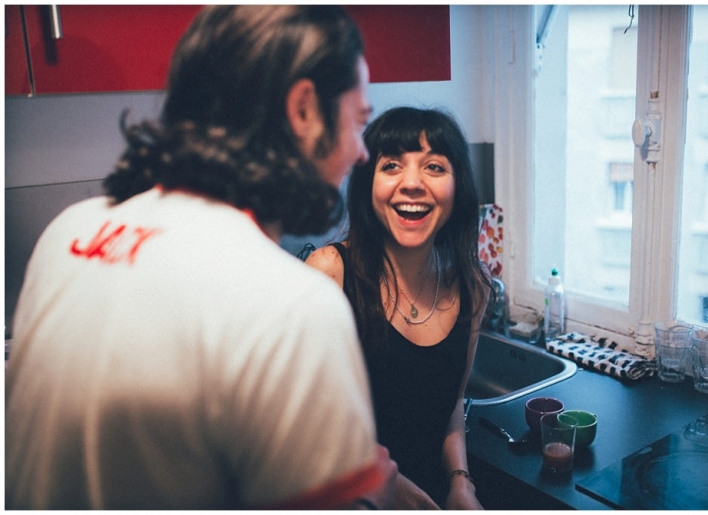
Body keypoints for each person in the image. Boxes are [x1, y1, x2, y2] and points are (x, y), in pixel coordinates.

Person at [5, 6, 397, 509]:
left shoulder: (68, 230)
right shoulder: (292, 305)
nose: (361, 152)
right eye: (358, 121)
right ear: (303, 110)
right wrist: (374, 497)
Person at [307, 106, 492, 509]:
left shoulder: (473, 288)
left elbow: (450, 407)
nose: (412, 183)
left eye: (434, 167)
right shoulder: (329, 274)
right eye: (391, 165)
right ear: (367, 185)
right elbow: (309, 424)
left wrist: (462, 483)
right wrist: (392, 489)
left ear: (457, 187)